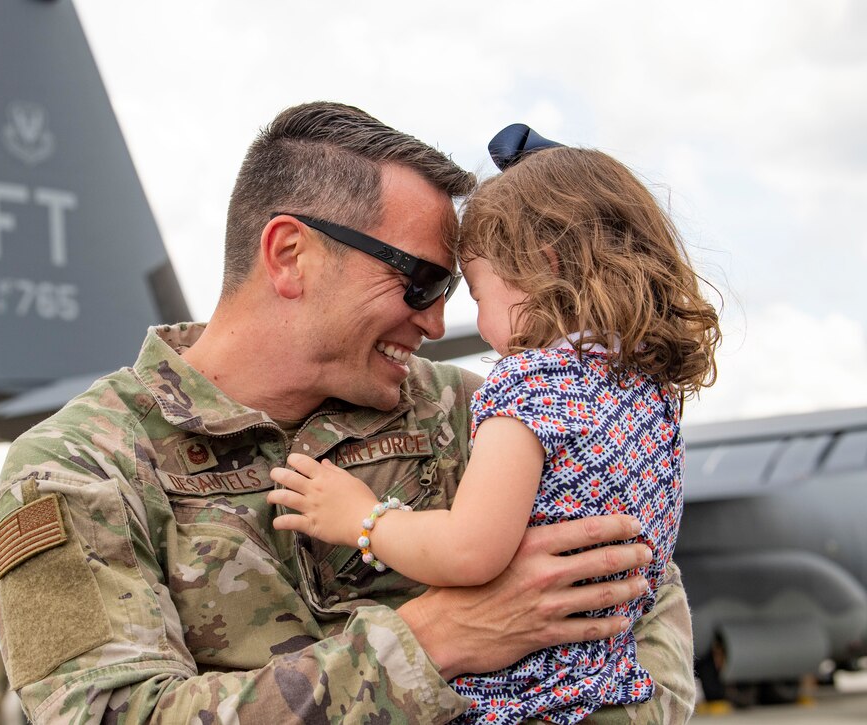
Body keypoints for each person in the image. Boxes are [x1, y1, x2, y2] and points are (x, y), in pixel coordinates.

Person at [0, 101, 696, 723]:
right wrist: (435, 636)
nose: (440, 318)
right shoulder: (79, 467)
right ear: (291, 255)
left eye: (455, 287)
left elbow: (641, 590)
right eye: (420, 280)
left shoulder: (467, 410)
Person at [268, 123, 720, 723]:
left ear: (541, 267)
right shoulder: (645, 393)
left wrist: (361, 517)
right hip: (608, 689)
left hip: (518, 699)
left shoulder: (529, 386)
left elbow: (471, 551)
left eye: (475, 294)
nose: (469, 324)